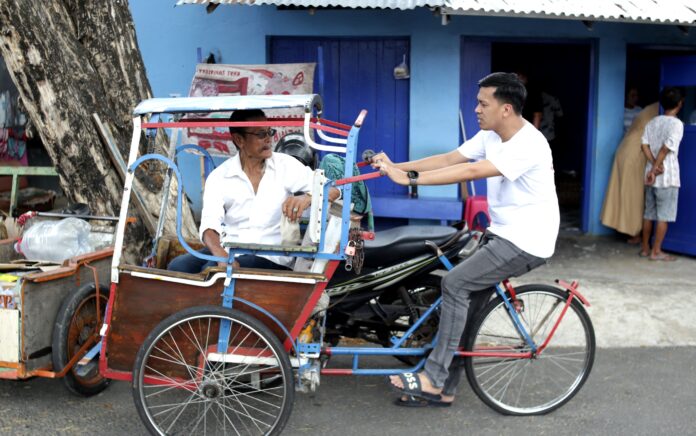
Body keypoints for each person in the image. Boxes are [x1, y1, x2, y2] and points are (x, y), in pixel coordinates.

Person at [372, 72, 559, 405]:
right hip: (503, 233)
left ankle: (433, 378)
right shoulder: (491, 135)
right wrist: (395, 166)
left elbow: (471, 172)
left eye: (483, 103)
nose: (476, 109)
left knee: (455, 285)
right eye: (477, 102)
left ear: (505, 109)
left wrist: (409, 181)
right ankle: (446, 390)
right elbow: (449, 159)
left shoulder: (528, 144)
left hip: (527, 240)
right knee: (468, 304)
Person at [168, 109, 340, 273]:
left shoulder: (285, 166)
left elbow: (334, 190)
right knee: (178, 267)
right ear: (239, 140)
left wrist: (308, 197)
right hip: (232, 248)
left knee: (211, 272)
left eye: (269, 133)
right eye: (260, 134)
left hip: (272, 256)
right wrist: (223, 257)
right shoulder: (220, 176)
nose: (268, 140)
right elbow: (209, 226)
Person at [600, 103, 659, 243]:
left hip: (626, 149)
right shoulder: (658, 111)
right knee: (634, 195)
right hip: (635, 153)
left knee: (623, 192)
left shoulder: (648, 109)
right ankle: (635, 233)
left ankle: (627, 230)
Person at [639, 87, 684, 261]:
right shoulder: (677, 124)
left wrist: (652, 167)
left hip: (650, 176)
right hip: (667, 176)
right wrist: (656, 166)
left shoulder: (653, 122)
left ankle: (644, 249)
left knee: (649, 214)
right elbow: (666, 148)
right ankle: (656, 251)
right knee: (663, 216)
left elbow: (644, 145)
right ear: (679, 104)